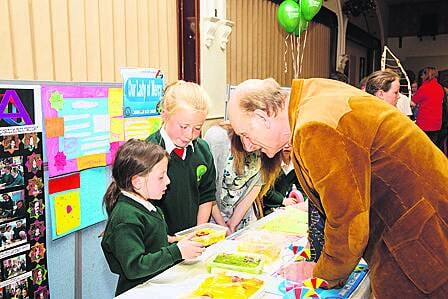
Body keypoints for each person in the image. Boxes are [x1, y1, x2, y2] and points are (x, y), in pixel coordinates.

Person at [227, 77, 448, 298]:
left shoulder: (314, 127)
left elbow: (348, 221)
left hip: (419, 241)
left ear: (262, 116)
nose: (247, 146)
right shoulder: (310, 98)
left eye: (245, 135)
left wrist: (320, 272)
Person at [101, 139, 204, 296]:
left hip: (154, 285)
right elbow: (135, 266)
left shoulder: (144, 205)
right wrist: (177, 252)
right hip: (138, 291)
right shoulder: (126, 218)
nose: (168, 181)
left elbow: (145, 237)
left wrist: (167, 239)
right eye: (161, 177)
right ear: (137, 182)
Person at [146, 80, 220, 235]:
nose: (189, 135)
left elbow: (206, 196)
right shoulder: (148, 152)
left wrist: (197, 234)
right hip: (160, 244)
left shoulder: (203, 151)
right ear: (165, 114)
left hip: (192, 239)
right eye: (183, 127)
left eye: (197, 128)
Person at [204, 124, 262, 233]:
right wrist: (223, 225)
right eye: (248, 138)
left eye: (257, 142)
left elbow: (257, 184)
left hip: (242, 217)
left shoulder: (269, 144)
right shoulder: (218, 138)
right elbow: (207, 189)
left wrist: (233, 223)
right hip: (212, 215)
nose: (250, 146)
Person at [412, 66, 444, 147]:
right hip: (436, 122)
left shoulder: (424, 88)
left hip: (425, 122)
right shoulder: (440, 87)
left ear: (426, 75)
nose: (421, 77)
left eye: (422, 75)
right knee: (433, 146)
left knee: (423, 146)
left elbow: (413, 102)